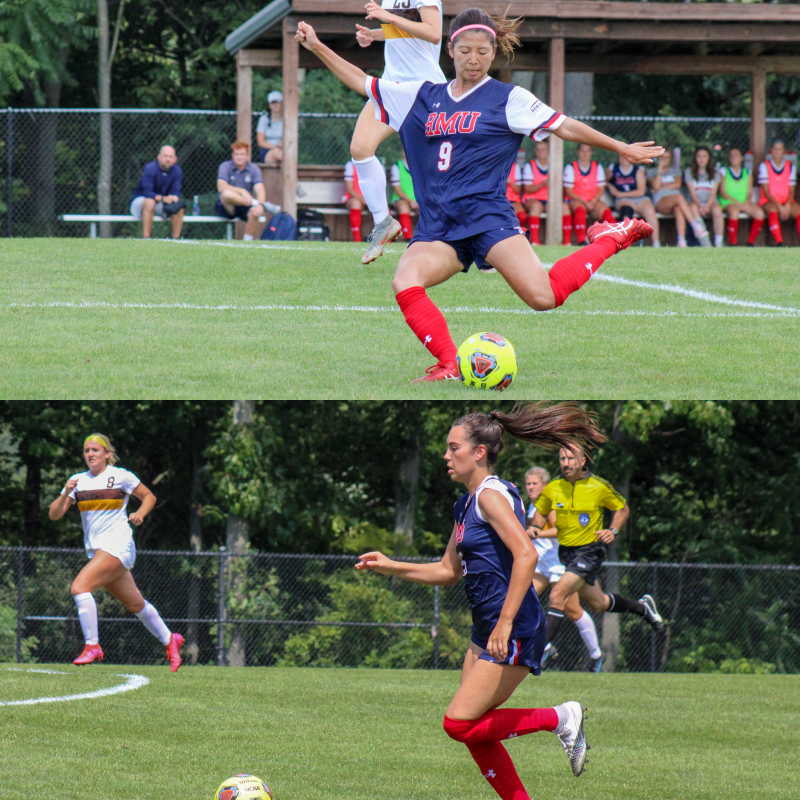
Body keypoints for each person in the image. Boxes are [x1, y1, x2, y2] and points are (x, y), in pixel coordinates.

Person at [296, 9, 661, 383]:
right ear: (449, 50)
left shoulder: (508, 98)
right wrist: (316, 46)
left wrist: (621, 147)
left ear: (494, 52)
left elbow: (564, 126)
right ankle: (449, 364)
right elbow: (361, 81)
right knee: (405, 279)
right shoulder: (420, 95)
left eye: (483, 52)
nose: (474, 59)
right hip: (438, 227)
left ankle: (611, 237)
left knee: (543, 297)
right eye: (466, 50)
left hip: (487, 219)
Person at [357, 403, 608, 793]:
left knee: (457, 723)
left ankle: (560, 717)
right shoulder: (466, 503)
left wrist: (505, 624)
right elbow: (448, 570)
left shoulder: (491, 496)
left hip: (514, 627)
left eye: (453, 447)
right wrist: (390, 566)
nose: (446, 455)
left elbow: (526, 553)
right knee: (474, 732)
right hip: (487, 629)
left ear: (478, 453)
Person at [48, 434, 184, 671]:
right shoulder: (77, 480)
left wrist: (140, 513)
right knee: (135, 604)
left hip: (119, 545)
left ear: (107, 453)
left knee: (79, 587)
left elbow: (149, 496)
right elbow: (54, 515)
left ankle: (93, 646)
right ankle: (170, 639)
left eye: (96, 450)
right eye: (86, 450)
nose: (90, 454)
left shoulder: (120, 476)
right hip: (99, 552)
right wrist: (64, 493)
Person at [530, 445, 663, 656]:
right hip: (567, 554)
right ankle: (642, 608)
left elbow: (622, 508)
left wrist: (613, 529)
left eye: (571, 458)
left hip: (589, 552)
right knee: (599, 604)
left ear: (582, 461)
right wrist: (536, 527)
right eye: (562, 458)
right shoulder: (554, 487)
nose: (566, 463)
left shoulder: (597, 486)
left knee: (557, 594)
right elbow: (541, 512)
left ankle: (534, 654)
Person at [350, 0, 445, 264]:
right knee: (359, 149)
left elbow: (433, 32)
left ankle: (486, 238)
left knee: (447, 168)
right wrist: (375, 34)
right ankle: (383, 223)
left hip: (425, 90)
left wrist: (386, 17)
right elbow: (404, 35)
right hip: (392, 85)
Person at [524, 466, 603, 672]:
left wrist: (536, 534)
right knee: (523, 598)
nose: (530, 487)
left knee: (573, 610)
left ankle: (596, 655)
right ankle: (547, 646)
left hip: (558, 564)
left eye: (534, 483)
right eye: (528, 484)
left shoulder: (549, 505)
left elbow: (558, 530)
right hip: (542, 566)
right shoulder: (533, 506)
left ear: (544, 485)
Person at [215, 141, 280, 241]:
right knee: (225, 194)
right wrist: (242, 191)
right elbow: (221, 186)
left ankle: (247, 242)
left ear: (247, 155)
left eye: (242, 154)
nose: (239, 157)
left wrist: (259, 205)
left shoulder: (253, 168)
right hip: (227, 206)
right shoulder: (225, 166)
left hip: (245, 205)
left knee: (255, 211)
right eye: (237, 154)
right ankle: (259, 203)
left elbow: (260, 188)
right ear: (232, 155)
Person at [647, 151, 709, 247]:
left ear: (670, 159)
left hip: (676, 201)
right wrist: (660, 168)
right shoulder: (651, 172)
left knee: (678, 208)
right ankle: (695, 226)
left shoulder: (675, 171)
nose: (664, 160)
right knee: (679, 197)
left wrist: (659, 188)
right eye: (662, 158)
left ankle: (681, 241)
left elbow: (677, 184)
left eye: (667, 158)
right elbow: (655, 185)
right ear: (658, 159)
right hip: (661, 201)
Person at [562, 144, 616, 246]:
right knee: (580, 210)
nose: (585, 154)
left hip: (593, 200)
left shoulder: (597, 167)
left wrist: (593, 201)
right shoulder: (571, 167)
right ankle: (581, 241)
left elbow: (601, 189)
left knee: (606, 211)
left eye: (587, 151)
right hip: (576, 199)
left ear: (591, 153)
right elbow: (569, 191)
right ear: (578, 152)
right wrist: (585, 202)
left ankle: (615, 240)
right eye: (582, 151)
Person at [129, 145, 185, 239]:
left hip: (160, 203)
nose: (168, 159)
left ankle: (176, 239)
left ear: (175, 159)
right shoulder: (150, 168)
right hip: (141, 202)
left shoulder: (177, 171)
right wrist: (164, 198)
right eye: (165, 156)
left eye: (170, 157)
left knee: (179, 208)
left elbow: (175, 192)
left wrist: (173, 198)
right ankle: (146, 238)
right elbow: (147, 192)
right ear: (159, 157)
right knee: (150, 202)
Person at [606, 153, 660, 247]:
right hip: (623, 199)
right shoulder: (613, 168)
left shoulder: (637, 170)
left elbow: (641, 191)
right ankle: (625, 243)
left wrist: (621, 194)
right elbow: (603, 180)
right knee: (627, 210)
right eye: (621, 156)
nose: (623, 159)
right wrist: (610, 186)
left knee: (650, 210)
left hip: (638, 198)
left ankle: (656, 243)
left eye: (626, 157)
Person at [718, 146, 764, 247]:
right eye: (731, 156)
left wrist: (747, 201)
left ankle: (750, 243)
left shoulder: (747, 173)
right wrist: (735, 202)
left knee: (759, 213)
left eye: (736, 155)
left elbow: (749, 192)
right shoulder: (723, 171)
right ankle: (733, 243)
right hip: (728, 201)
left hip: (743, 202)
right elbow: (722, 192)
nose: (733, 158)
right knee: (734, 211)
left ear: (741, 158)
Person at [758, 138, 800, 247]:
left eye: (779, 149)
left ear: (783, 151)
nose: (777, 152)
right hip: (768, 201)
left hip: (786, 201)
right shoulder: (765, 166)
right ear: (771, 150)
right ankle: (779, 242)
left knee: (798, 210)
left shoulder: (790, 167)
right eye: (775, 149)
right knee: (772, 210)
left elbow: (792, 190)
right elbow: (766, 191)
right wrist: (779, 206)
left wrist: (787, 204)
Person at [684, 147, 724, 247]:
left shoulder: (715, 173)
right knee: (693, 208)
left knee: (717, 210)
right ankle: (705, 241)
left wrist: (707, 206)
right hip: (695, 202)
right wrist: (700, 205)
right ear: (695, 158)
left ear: (709, 158)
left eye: (704, 156)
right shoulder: (689, 172)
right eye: (699, 156)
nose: (702, 159)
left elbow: (713, 193)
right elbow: (692, 193)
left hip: (710, 202)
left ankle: (719, 242)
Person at [521, 139, 549, 245]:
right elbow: (528, 189)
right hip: (532, 198)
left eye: (543, 149)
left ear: (548, 151)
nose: (540, 152)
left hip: (548, 199)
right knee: (536, 206)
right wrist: (543, 183)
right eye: (538, 150)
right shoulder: (530, 166)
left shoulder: (554, 166)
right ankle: (535, 241)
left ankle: (565, 242)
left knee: (561, 208)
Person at [390, 149, 418, 240]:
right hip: (401, 199)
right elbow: (397, 190)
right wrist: (410, 201)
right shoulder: (397, 166)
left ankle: (428, 238)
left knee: (426, 209)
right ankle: (408, 238)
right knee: (404, 207)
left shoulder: (420, 166)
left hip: (417, 200)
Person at [256, 90, 284, 165]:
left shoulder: (286, 120)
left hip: (283, 149)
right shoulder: (264, 119)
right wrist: (275, 147)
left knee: (281, 154)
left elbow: (288, 138)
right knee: (277, 153)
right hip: (267, 151)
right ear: (269, 105)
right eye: (273, 103)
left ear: (281, 104)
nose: (275, 105)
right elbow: (260, 141)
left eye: (277, 102)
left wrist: (279, 147)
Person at [344, 158, 368, 242]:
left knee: (383, 207)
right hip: (356, 197)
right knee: (356, 203)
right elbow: (350, 189)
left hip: (371, 198)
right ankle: (357, 238)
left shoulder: (375, 164)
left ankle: (387, 240)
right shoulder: (350, 164)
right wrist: (362, 198)